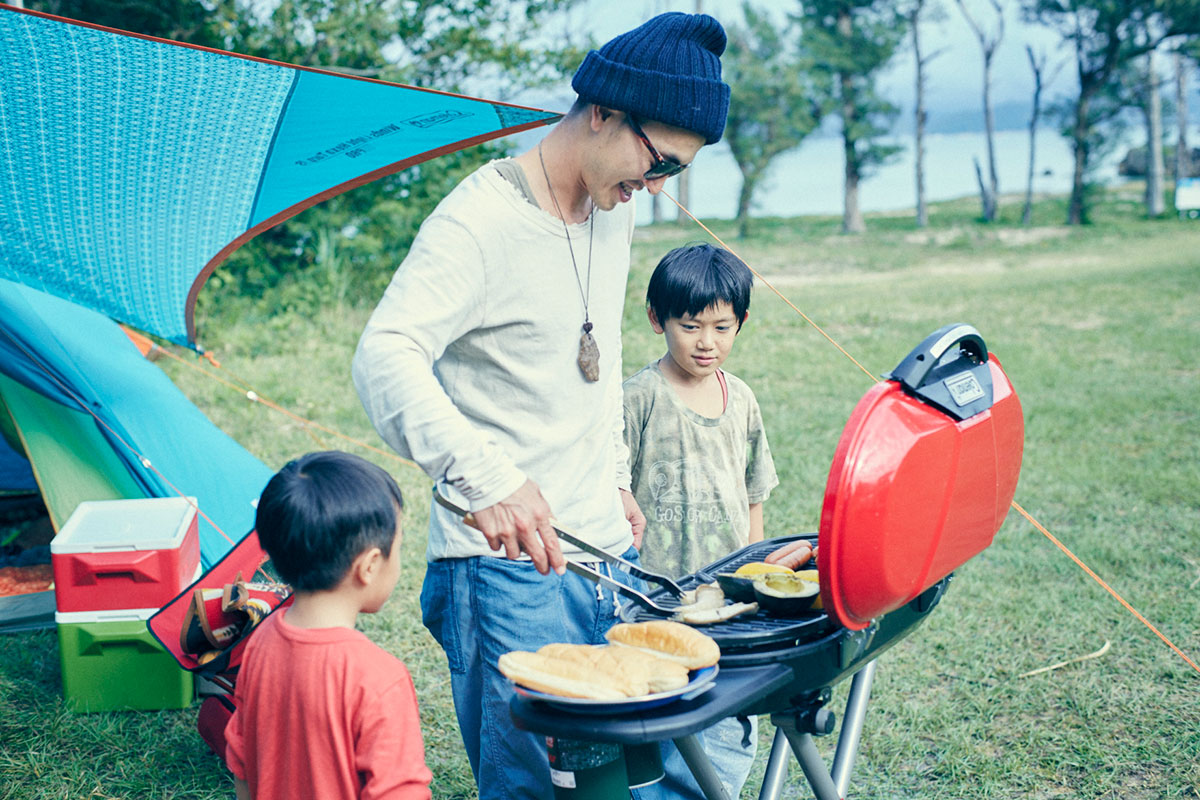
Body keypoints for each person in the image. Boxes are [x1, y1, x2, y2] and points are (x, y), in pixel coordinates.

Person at [351, 11, 731, 799]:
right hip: (506, 572)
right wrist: (486, 478)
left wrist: (615, 474)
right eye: (657, 162)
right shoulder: (479, 221)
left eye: (674, 174)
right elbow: (383, 357)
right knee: (536, 787)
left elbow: (597, 358)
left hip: (603, 554)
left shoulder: (609, 206)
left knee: (620, 778)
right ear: (602, 112)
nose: (656, 188)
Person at [623, 243, 780, 799]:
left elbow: (754, 493)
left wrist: (757, 577)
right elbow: (614, 491)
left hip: (727, 596)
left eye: (722, 326)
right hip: (654, 596)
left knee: (725, 719)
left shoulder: (740, 399)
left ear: (740, 323)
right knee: (661, 711)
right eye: (690, 326)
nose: (707, 342)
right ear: (656, 319)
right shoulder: (639, 397)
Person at [224, 451, 432, 800]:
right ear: (369, 566)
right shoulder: (380, 679)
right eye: (398, 547)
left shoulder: (260, 643)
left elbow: (241, 763)